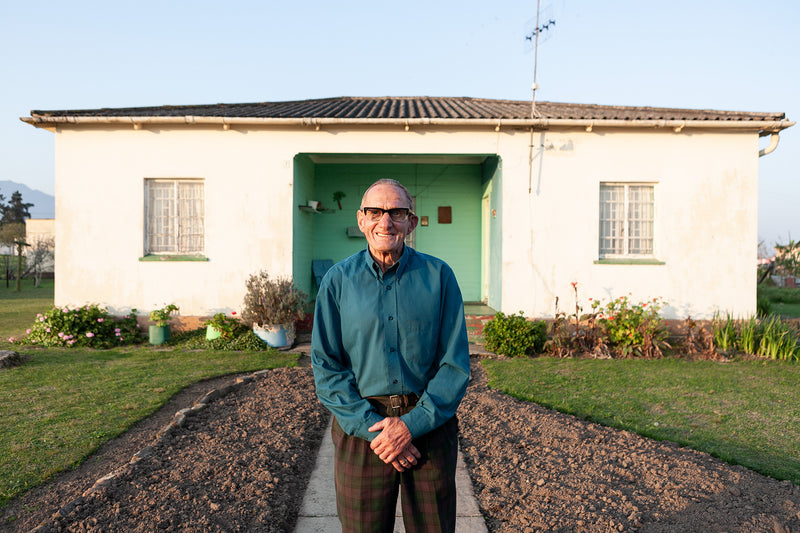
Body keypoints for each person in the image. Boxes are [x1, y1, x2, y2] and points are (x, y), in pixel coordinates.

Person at [311, 178, 471, 533]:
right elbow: (327, 367)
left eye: (397, 212)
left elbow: (455, 364)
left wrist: (410, 426)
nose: (386, 222)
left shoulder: (439, 277)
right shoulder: (337, 282)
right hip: (362, 431)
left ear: (411, 222)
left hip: (428, 430)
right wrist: (379, 433)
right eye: (375, 212)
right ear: (361, 219)